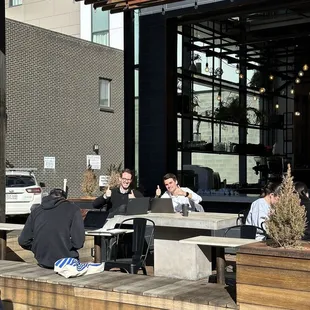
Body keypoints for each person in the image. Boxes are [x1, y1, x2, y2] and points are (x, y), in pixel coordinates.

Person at [18, 188, 85, 269]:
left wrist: (36, 247)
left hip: (42, 261)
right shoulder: (73, 209)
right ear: (65, 198)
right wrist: (66, 246)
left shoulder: (36, 211)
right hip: (67, 263)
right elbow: (78, 242)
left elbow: (23, 241)